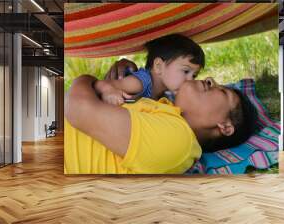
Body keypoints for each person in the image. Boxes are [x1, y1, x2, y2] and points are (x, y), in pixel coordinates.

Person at [64, 73, 257, 174]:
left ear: (225, 126)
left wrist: (85, 79)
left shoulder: (178, 140)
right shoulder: (166, 114)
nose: (209, 80)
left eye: (222, 91)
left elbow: (79, 110)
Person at [99, 34, 205, 105]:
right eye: (186, 71)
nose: (190, 80)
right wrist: (108, 90)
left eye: (194, 75)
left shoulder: (164, 94)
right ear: (158, 66)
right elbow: (102, 84)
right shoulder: (142, 82)